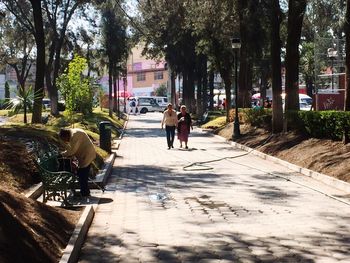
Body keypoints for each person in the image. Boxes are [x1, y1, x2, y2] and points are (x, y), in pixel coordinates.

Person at [59, 128, 96, 197]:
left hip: (87, 155)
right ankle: (85, 191)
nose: (66, 141)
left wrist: (62, 154)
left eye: (65, 139)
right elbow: (71, 148)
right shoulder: (73, 133)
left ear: (66, 135)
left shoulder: (75, 135)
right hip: (86, 155)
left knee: (82, 174)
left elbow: (72, 150)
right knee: (82, 173)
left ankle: (85, 193)